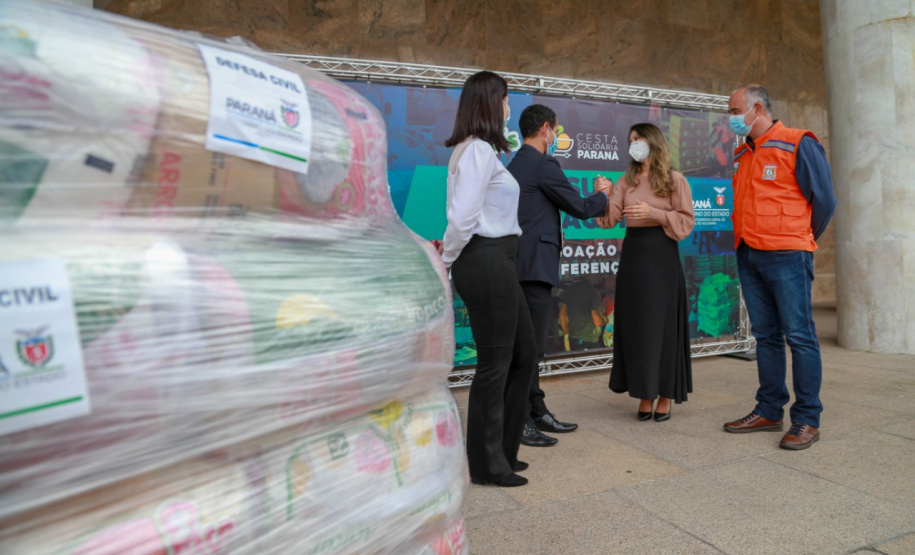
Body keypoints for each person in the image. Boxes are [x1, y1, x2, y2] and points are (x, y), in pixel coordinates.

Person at [721, 84, 836, 450]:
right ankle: (769, 409)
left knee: (799, 336)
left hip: (787, 254)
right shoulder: (742, 152)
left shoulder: (798, 141)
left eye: (734, 110)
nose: (732, 118)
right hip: (749, 253)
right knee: (766, 336)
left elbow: (826, 200)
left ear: (757, 108)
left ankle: (806, 419)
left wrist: (799, 237)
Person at [441, 71, 534, 487]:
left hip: (496, 260)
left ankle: (503, 451)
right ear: (491, 103)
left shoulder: (479, 151)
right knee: (495, 364)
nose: (508, 108)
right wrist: (449, 259)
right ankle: (486, 464)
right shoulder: (476, 150)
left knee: (523, 354)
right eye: (506, 99)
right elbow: (461, 218)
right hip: (486, 258)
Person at [507, 104, 608, 447]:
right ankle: (521, 421)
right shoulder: (543, 164)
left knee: (528, 345)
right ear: (546, 128)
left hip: (519, 265)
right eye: (555, 131)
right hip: (534, 267)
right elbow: (579, 207)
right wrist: (604, 195)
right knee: (530, 349)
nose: (556, 137)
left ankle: (536, 410)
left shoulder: (516, 163)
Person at [594, 123, 695, 422]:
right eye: (630, 141)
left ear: (653, 142)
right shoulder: (626, 181)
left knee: (662, 327)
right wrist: (606, 196)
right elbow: (609, 221)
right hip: (634, 258)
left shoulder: (675, 180)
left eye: (638, 139)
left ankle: (665, 394)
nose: (634, 144)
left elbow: (685, 222)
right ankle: (644, 392)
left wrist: (654, 214)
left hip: (662, 257)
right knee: (638, 327)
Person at [559, 275, 607, 351]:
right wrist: (606, 322)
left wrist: (567, 334)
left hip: (574, 339)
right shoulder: (593, 291)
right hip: (590, 339)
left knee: (576, 362)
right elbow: (597, 320)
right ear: (589, 276)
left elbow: (562, 315)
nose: (599, 276)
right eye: (596, 274)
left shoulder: (569, 289)